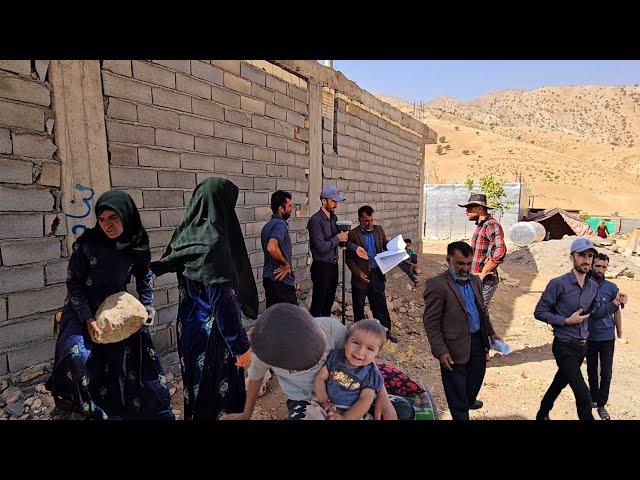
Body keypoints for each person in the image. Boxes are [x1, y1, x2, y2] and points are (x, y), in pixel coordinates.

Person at [47, 190, 174, 420]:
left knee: (140, 355)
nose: (107, 225)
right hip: (82, 308)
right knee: (78, 356)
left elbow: (144, 275)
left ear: (126, 216)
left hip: (116, 308)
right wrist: (88, 318)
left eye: (113, 218)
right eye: (102, 219)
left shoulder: (135, 243)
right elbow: (73, 284)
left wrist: (147, 306)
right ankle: (88, 410)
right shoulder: (86, 245)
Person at [151, 178, 257, 420]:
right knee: (214, 395)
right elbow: (222, 301)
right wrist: (240, 346)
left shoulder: (186, 234)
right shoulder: (215, 244)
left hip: (188, 329)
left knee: (195, 390)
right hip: (213, 336)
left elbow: (167, 261)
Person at [220, 303, 415, 420]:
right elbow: (255, 379)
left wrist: (382, 396)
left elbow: (364, 362)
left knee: (402, 411)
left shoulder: (331, 329)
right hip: (306, 401)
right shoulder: (267, 351)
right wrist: (246, 414)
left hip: (352, 395)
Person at [534, 238, 625, 420]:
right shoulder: (558, 283)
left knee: (559, 382)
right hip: (564, 345)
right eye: (581, 255)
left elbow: (596, 313)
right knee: (584, 397)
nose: (586, 259)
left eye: (590, 256)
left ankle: (542, 414)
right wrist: (566, 321)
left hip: (582, 347)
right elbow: (540, 312)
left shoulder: (592, 286)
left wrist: (615, 303)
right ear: (571, 258)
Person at [422, 241, 499, 420]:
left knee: (475, 382)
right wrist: (441, 351)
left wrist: (491, 334)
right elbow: (431, 322)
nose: (465, 268)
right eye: (460, 263)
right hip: (453, 347)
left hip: (478, 343)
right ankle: (461, 412)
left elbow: (482, 311)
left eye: (468, 263)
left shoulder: (475, 281)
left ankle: (468, 401)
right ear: (448, 260)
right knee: (457, 395)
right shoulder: (437, 285)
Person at [306, 186, 368, 317]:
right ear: (324, 201)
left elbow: (340, 240)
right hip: (321, 266)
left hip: (333, 266)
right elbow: (321, 247)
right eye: (333, 201)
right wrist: (337, 238)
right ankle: (315, 334)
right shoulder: (315, 221)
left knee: (328, 303)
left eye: (337, 201)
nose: (336, 204)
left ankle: (326, 333)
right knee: (318, 304)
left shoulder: (333, 219)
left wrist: (355, 248)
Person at [310, 319, 386, 420]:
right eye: (356, 343)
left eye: (370, 349)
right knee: (313, 414)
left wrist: (345, 417)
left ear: (376, 354)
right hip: (325, 404)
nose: (360, 351)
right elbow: (320, 378)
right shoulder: (336, 357)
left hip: (352, 412)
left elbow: (365, 399)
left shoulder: (370, 372)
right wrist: (324, 402)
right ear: (346, 342)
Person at [346, 205, 397, 343]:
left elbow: (385, 244)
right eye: (366, 221)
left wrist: (395, 247)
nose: (370, 223)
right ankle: (359, 336)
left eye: (372, 220)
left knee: (380, 304)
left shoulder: (379, 230)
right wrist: (357, 273)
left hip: (377, 274)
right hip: (361, 276)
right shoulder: (353, 234)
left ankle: (385, 332)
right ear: (359, 220)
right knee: (359, 306)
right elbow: (348, 259)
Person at [586, 252, 627, 420]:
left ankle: (601, 403)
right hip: (588, 336)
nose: (600, 269)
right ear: (592, 265)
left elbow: (617, 311)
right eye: (598, 266)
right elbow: (593, 313)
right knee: (591, 370)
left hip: (607, 337)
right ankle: (593, 399)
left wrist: (620, 333)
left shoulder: (611, 287)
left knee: (607, 372)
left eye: (604, 267)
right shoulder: (585, 285)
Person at [458, 193, 506, 314]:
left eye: (469, 208)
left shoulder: (491, 225)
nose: (466, 211)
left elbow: (499, 251)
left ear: (479, 209)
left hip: (484, 281)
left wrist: (482, 274)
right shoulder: (481, 226)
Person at [261, 190, 297, 307]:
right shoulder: (280, 225)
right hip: (281, 282)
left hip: (269, 280)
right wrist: (286, 264)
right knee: (293, 320)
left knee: (274, 319)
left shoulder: (267, 226)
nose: (291, 209)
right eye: (289, 206)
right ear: (281, 209)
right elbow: (271, 247)